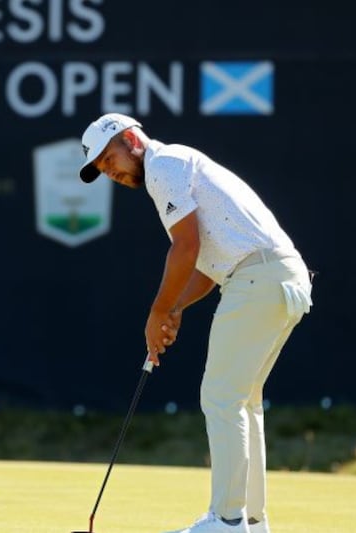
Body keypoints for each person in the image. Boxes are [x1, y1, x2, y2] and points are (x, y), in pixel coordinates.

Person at [78, 113, 313, 533]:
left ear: (130, 138)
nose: (108, 170)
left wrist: (156, 312)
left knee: (221, 398)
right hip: (279, 278)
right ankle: (252, 522)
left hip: (258, 279)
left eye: (108, 157)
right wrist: (176, 307)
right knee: (243, 401)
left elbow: (185, 249)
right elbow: (205, 263)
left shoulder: (162, 166)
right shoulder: (177, 165)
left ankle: (226, 521)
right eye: (100, 167)